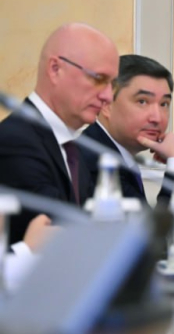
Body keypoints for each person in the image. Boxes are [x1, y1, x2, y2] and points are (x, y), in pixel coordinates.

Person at [80, 54, 174, 256]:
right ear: (106, 105)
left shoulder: (114, 154)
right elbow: (148, 247)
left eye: (164, 104)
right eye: (142, 101)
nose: (157, 118)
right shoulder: (92, 161)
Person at [0, 23, 118, 243]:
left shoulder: (70, 148)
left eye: (112, 84)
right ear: (55, 69)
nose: (108, 96)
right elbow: (64, 236)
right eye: (99, 79)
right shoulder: (17, 141)